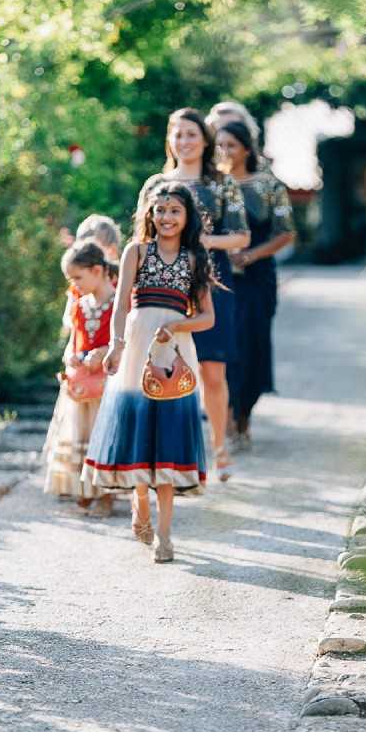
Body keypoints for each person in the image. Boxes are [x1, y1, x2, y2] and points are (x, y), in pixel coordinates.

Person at [82, 183, 215, 563]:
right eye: (160, 210)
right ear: (149, 215)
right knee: (138, 429)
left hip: (174, 349)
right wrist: (117, 345)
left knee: (170, 437)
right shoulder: (135, 252)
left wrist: (176, 328)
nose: (167, 218)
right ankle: (140, 501)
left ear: (186, 216)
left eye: (175, 210)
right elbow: (121, 304)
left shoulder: (194, 259)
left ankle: (166, 534)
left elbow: (207, 317)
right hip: (137, 346)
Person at [137, 108, 250, 481]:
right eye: (177, 134)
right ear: (169, 140)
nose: (184, 142)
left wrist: (201, 242)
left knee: (213, 372)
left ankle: (218, 447)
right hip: (162, 287)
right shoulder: (155, 184)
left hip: (210, 283)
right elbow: (141, 236)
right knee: (160, 367)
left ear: (204, 140)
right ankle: (163, 451)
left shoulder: (222, 183)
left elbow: (242, 236)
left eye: (191, 134)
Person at [216, 121, 295, 449]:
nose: (225, 152)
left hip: (257, 277)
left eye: (231, 145)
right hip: (219, 276)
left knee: (252, 346)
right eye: (219, 145)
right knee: (222, 347)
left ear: (246, 148)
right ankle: (227, 416)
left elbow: (286, 232)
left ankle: (244, 413)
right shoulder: (213, 185)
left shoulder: (268, 186)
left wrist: (250, 256)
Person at [43, 240, 116, 515]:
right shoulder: (79, 305)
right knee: (79, 436)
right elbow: (75, 339)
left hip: (106, 382)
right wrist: (71, 357)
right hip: (82, 382)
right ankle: (85, 488)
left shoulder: (117, 303)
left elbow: (126, 340)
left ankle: (106, 493)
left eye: (78, 277)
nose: (75, 283)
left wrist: (104, 351)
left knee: (103, 435)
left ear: (97, 270)